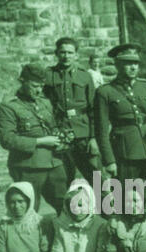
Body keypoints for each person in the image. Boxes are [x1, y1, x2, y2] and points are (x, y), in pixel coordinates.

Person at [94, 43, 146, 185]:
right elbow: (101, 131)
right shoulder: (105, 92)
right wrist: (109, 160)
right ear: (117, 65)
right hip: (125, 153)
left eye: (136, 63)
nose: (133, 67)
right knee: (125, 199)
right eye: (127, 63)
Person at [0, 63, 67, 214]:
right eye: (35, 86)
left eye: (41, 86)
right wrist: (41, 141)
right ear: (22, 81)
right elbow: (7, 139)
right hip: (28, 165)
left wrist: (60, 140)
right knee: (29, 208)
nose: (39, 90)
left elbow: (53, 127)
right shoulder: (9, 106)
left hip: (54, 162)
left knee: (66, 206)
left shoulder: (44, 102)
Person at [44, 37, 102, 185]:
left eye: (70, 52)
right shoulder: (49, 75)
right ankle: (70, 207)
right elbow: (45, 105)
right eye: (62, 52)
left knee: (95, 175)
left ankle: (106, 206)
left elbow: (93, 108)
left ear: (76, 54)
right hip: (60, 132)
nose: (66, 56)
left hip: (83, 132)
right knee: (65, 176)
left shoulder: (85, 75)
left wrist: (94, 137)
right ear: (56, 53)